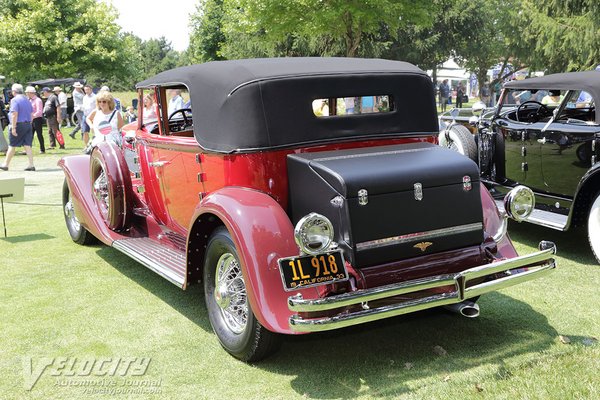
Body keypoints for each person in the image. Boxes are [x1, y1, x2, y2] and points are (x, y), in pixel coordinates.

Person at [0, 84, 35, 171]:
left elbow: (14, 114)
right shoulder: (27, 99)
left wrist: (14, 127)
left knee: (12, 145)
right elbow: (31, 114)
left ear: (14, 91)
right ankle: (31, 164)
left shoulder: (15, 100)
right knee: (27, 145)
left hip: (19, 124)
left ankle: (6, 164)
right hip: (28, 124)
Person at [25, 86, 44, 154]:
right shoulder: (29, 100)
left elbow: (39, 111)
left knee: (39, 134)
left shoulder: (38, 100)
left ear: (31, 93)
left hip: (37, 119)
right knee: (30, 135)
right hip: (31, 119)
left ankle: (42, 149)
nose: (26, 94)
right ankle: (28, 149)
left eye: (27, 93)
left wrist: (33, 116)